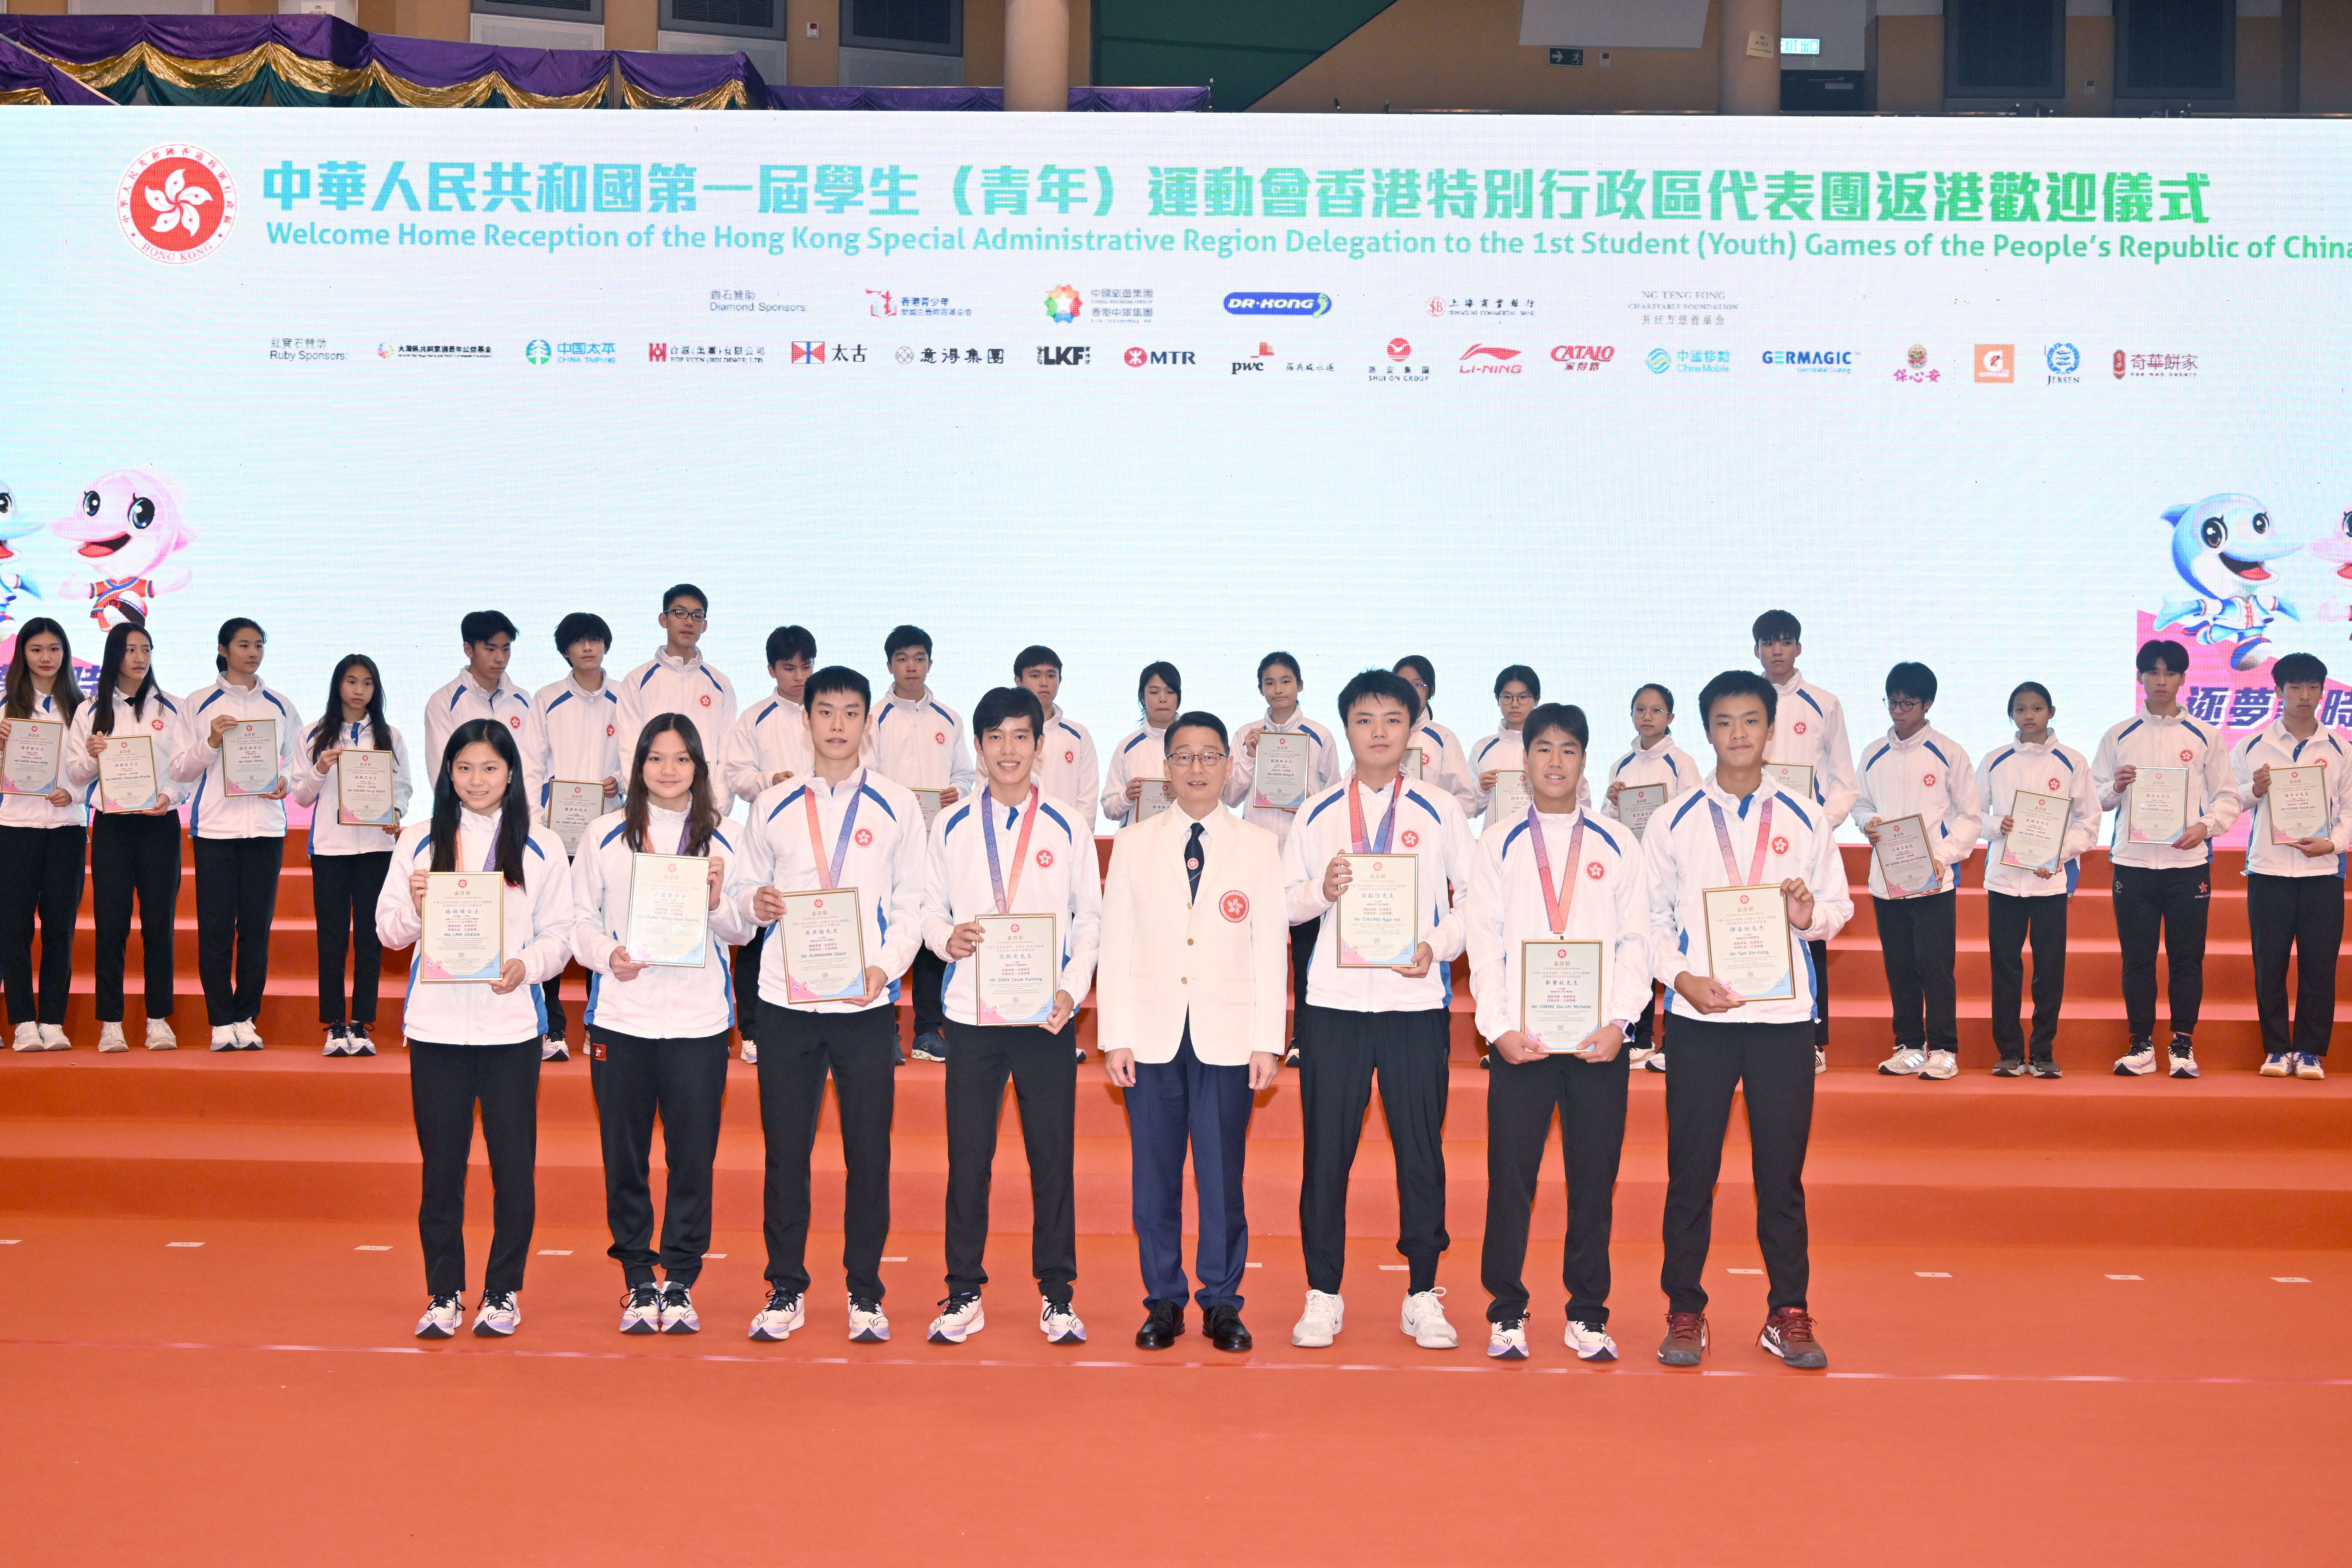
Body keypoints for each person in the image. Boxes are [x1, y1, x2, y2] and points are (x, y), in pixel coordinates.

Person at [1644, 670, 1852, 1370]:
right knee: (1690, 1172)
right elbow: (1649, 918)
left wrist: (1806, 914)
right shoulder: (1672, 819)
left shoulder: (1805, 816)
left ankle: (1787, 1310)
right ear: (1707, 730)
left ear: (1771, 729)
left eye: (1751, 720)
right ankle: (1684, 1309)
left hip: (1781, 1019)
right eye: (1725, 721)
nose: (1738, 733)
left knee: (1780, 1176)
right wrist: (1682, 980)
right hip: (1699, 1017)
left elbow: (1836, 908)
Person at [730, 666, 925, 1345]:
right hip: (786, 1001)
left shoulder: (897, 805)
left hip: (864, 1003)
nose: (837, 724)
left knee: (867, 1153)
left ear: (867, 721)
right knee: (786, 1151)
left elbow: (912, 903)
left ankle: (865, 1291)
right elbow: (742, 889)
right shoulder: (772, 804)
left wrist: (884, 966)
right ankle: (785, 1285)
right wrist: (753, 901)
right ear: (805, 719)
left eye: (850, 712)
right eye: (825, 711)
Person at [1283, 668, 1475, 1351]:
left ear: (1412, 729)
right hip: (1333, 1006)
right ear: (1346, 728)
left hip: (1412, 1003)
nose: (1378, 731)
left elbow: (1474, 902)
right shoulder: (1315, 812)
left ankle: (1422, 1292)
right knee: (1325, 1152)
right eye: (1364, 719)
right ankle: (1322, 1292)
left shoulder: (1439, 810)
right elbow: (1283, 902)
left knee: (1420, 1152)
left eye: (1392, 719)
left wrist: (1435, 945)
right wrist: (1321, 889)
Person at [375, 718, 575, 1339]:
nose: (477, 779)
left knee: (513, 1167)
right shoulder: (417, 840)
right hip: (436, 1029)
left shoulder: (541, 845)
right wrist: (416, 909)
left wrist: (527, 966)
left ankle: (503, 1289)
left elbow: (560, 936)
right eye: (464, 768)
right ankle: (444, 1292)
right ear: (448, 773)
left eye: (490, 767)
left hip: (510, 1028)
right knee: (442, 1168)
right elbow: (387, 931)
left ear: (511, 772)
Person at [1466, 702, 1651, 1362]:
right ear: (1525, 761)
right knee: (1510, 1178)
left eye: (1568, 749)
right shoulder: (1497, 843)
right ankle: (1505, 1310)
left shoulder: (1616, 842)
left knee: (1593, 1181)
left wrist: (1619, 1021)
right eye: (1543, 748)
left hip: (1597, 1043)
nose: (1554, 760)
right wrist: (1498, 1028)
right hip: (1523, 1042)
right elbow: (1483, 941)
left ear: (1583, 759)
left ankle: (1587, 1312)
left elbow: (1637, 939)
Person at [919, 685, 1103, 1347]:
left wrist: (1072, 988)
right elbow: (926, 907)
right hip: (972, 1015)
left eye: (1020, 735)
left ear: (1039, 745)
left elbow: (1090, 918)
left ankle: (1057, 1295)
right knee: (969, 1158)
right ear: (977, 747)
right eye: (994, 736)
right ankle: (963, 1290)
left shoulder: (1067, 826)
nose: (1007, 748)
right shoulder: (949, 826)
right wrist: (946, 938)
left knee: (1051, 1158)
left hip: (1044, 1017)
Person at [1100, 710, 1285, 1355]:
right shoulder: (1133, 843)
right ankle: (1164, 1299)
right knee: (1154, 1178)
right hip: (1150, 1033)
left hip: (1227, 1036)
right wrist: (1115, 1035)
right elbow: (1115, 944)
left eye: (1209, 755)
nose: (1197, 767)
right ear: (1166, 767)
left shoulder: (1257, 846)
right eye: (1184, 756)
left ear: (1228, 765)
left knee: (1220, 1176)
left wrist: (1266, 1039)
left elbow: (1270, 948)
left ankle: (1222, 1301)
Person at [570, 714, 753, 1335]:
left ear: (698, 767)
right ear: (639, 764)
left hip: (699, 1022)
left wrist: (717, 903)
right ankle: (637, 1276)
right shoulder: (603, 834)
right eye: (656, 758)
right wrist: (608, 954)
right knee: (624, 1156)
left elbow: (743, 929)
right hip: (622, 1018)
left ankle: (679, 1279)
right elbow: (577, 921)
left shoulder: (726, 838)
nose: (668, 769)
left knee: (692, 1157)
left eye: (681, 758)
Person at [2092, 638, 2241, 1079]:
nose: (2161, 680)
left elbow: (2228, 797)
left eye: (2170, 672)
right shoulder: (2118, 735)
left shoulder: (2204, 735)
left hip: (2186, 866)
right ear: (2140, 676)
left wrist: (2205, 826)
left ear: (2181, 678)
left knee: (2186, 959)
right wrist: (2115, 786)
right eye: (2153, 672)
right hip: (2133, 864)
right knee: (2136, 959)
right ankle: (2141, 1044)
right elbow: (2095, 798)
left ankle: (2182, 1045)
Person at [171, 617, 303, 1051]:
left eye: (259, 645)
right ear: (223, 649)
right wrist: (210, 742)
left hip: (265, 830)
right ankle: (220, 1020)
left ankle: (246, 1016)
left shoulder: (280, 705)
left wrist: (285, 780)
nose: (253, 653)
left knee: (256, 930)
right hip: (216, 831)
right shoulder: (198, 703)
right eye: (244, 644)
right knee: (215, 930)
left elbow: (298, 760)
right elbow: (179, 769)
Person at [61, 623, 188, 1051]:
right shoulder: (90, 709)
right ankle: (111, 1022)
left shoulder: (173, 707)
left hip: (159, 824)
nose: (139, 658)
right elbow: (77, 775)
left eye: (146, 649)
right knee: (111, 925)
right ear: (114, 654)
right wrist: (92, 757)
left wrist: (169, 797)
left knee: (159, 924)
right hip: (112, 825)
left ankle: (158, 1019)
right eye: (131, 650)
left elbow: (184, 770)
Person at [1853, 662, 1980, 1082]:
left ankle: (1943, 1049)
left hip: (1932, 881)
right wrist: (1868, 821)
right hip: (1886, 880)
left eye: (1907, 703)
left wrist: (1942, 856)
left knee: (1935, 967)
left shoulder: (1948, 752)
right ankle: (1908, 1045)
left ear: (1927, 704)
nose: (1898, 710)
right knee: (1900, 966)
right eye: (1891, 702)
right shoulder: (1872, 753)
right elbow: (1860, 803)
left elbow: (1970, 816)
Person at [2231, 652, 2352, 1080]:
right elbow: (2227, 801)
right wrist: (2253, 789)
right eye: (2295, 687)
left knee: (2319, 965)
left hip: (2322, 873)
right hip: (2268, 871)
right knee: (2270, 965)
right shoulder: (2251, 746)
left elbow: (2349, 811)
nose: (2304, 695)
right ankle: (2276, 1049)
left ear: (2322, 691)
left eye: (2313, 687)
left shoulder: (2340, 748)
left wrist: (2333, 844)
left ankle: (2310, 1051)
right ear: (2278, 690)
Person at [1751, 611, 1858, 1075]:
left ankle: (1812, 1039)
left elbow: (1844, 782)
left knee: (1808, 929)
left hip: (1802, 843)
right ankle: (1752, 1026)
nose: (1776, 650)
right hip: (1747, 838)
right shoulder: (1743, 698)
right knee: (1750, 925)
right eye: (1767, 642)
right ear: (1755, 649)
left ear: (1798, 647)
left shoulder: (1823, 703)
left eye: (1784, 641)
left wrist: (1816, 824)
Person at [289, 654, 410, 1057]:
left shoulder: (390, 735)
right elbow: (301, 797)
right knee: (332, 938)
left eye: (368, 683)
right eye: (352, 681)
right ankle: (334, 1024)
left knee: (370, 938)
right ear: (338, 685)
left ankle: (361, 1023)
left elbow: (403, 787)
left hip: (377, 849)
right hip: (331, 849)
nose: (360, 690)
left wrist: (396, 812)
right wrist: (320, 769)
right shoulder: (313, 734)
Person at [1224, 652, 1342, 1066]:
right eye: (1270, 682)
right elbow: (1230, 796)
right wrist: (1248, 756)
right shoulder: (1245, 735)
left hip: (1301, 858)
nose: (1278, 689)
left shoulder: (1319, 735)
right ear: (1260, 689)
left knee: (1304, 954)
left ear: (1300, 685)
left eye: (1286, 681)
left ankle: (1302, 1038)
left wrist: (1306, 802)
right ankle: (1252, 1034)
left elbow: (1336, 797)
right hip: (1254, 855)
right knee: (1251, 951)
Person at [1977, 682, 2100, 1078]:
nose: (2028, 715)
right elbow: (1969, 814)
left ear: (2051, 712)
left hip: (2049, 882)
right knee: (2005, 969)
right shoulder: (1994, 760)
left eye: (2036, 708)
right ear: (2010, 715)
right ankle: (2010, 1052)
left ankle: (2043, 1052)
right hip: (2003, 881)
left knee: (2049, 969)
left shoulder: (2072, 762)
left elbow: (2089, 822)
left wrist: (2058, 853)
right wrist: (1996, 825)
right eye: (2020, 709)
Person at [718, 623, 827, 1066]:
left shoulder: (828, 711)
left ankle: (820, 1017)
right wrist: (769, 780)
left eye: (806, 666)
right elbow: (735, 774)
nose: (799, 676)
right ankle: (753, 1031)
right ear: (770, 670)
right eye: (788, 668)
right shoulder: (754, 718)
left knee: (823, 923)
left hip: (827, 842)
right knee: (759, 928)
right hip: (771, 837)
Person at [866, 625, 969, 1064]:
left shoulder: (949, 718)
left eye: (919, 658)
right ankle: (885, 1030)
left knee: (932, 927)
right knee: (888, 928)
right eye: (903, 658)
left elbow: (966, 775)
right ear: (889, 664)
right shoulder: (872, 718)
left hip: (936, 842)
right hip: (887, 841)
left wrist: (956, 793)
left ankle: (927, 1030)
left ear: (930, 662)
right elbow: (866, 779)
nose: (912, 666)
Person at [534, 611, 623, 1063]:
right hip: (555, 835)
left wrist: (619, 781)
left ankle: (595, 1023)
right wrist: (537, 824)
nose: (588, 648)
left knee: (598, 926)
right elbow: (531, 764)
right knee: (551, 925)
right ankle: (551, 1027)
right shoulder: (547, 699)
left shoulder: (625, 697)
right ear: (565, 650)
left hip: (607, 835)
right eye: (578, 641)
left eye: (595, 640)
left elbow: (639, 756)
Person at [1600, 683, 1699, 1071]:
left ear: (1670, 717)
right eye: (1640, 709)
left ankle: (1675, 1043)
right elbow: (1608, 824)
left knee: (1670, 951)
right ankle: (1639, 1038)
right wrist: (1614, 802)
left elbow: (1695, 816)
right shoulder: (1620, 765)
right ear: (1630, 715)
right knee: (1635, 950)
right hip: (1631, 872)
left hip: (1669, 872)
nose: (1647, 716)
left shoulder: (1681, 762)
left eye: (1656, 710)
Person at [0, 618, 85, 1051]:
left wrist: (73, 793)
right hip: (16, 828)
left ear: (65, 654)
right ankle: (22, 1021)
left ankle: (53, 1020)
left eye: (54, 648)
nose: (46, 657)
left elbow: (95, 771)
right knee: (13, 927)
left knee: (60, 927)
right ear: (23, 655)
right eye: (37, 649)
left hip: (67, 827)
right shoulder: (5, 707)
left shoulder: (84, 708)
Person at [422, 610, 550, 806]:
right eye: (491, 650)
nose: (500, 658)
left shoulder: (523, 699)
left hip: (517, 811)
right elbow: (441, 770)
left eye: (506, 649)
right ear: (469, 650)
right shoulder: (444, 701)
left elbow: (535, 762)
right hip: (466, 812)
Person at [614, 584, 738, 767]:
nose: (689, 622)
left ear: (705, 626)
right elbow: (629, 750)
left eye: (697, 616)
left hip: (706, 785)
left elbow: (727, 752)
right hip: (654, 784)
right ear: (663, 620)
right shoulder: (637, 681)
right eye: (680, 613)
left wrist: (714, 788)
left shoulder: (721, 684)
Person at [1014, 644, 1101, 830]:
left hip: (1065, 836)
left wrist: (1078, 839)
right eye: (1035, 676)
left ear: (1060, 680)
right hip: (1012, 835)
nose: (1044, 683)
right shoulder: (1002, 732)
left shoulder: (1078, 735)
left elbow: (1087, 799)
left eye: (1051, 676)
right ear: (1018, 681)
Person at [1391, 655, 1481, 816]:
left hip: (1429, 828)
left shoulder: (1444, 738)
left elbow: (1467, 802)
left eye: (1418, 685)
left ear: (1431, 691)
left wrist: (1428, 812)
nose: (1409, 691)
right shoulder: (1378, 734)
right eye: (1403, 684)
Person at [1102, 660, 1183, 828]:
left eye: (1170, 692)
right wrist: (1127, 797)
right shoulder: (1127, 747)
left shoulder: (1194, 744)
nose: (1163, 699)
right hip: (1138, 840)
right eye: (1154, 692)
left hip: (1184, 838)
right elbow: (1109, 810)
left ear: (1179, 697)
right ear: (1142, 697)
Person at [1468, 664, 1542, 823]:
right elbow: (1469, 810)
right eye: (1507, 697)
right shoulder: (1482, 748)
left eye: (1523, 697)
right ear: (1498, 700)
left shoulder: (1547, 749)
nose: (1515, 704)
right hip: (1495, 837)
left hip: (1539, 836)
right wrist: (1481, 789)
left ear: (1537, 700)